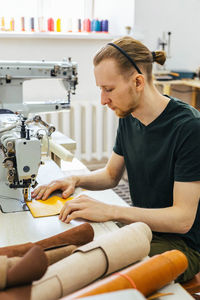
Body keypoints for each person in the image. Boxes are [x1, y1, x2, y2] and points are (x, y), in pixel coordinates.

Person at [32, 36, 200, 283]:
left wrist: (111, 211)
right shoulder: (129, 117)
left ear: (138, 81)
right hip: (140, 229)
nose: (102, 100)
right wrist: (74, 179)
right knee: (69, 250)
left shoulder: (189, 128)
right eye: (101, 89)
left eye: (108, 89)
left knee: (89, 271)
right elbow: (111, 175)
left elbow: (182, 220)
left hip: (180, 245)